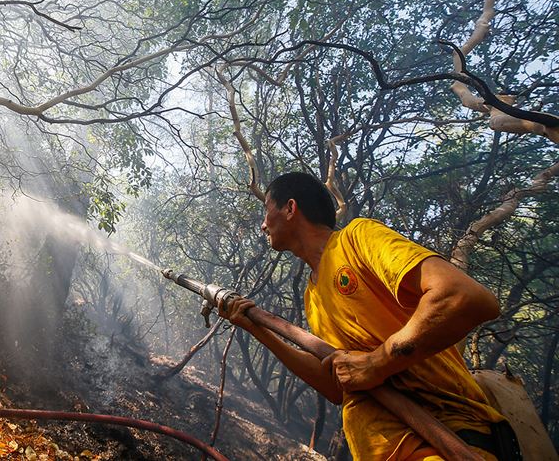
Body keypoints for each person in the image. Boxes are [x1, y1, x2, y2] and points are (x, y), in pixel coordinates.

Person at [218, 172, 520, 460]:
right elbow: (338, 385)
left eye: (265, 210)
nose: (262, 225)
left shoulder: (356, 238)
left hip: (448, 439)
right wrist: (255, 328)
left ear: (290, 209)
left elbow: (464, 297)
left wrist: (378, 363)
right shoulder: (313, 295)